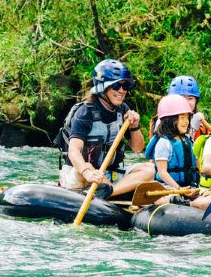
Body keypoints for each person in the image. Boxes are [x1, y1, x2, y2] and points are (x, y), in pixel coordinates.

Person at [60, 59, 155, 199]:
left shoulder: (123, 110)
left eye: (126, 85)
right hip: (81, 174)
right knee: (87, 167)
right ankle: (111, 190)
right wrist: (87, 172)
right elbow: (73, 151)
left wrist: (134, 127)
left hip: (109, 174)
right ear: (102, 88)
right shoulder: (85, 112)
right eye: (116, 86)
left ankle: (110, 192)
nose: (122, 91)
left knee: (149, 169)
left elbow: (137, 148)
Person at [144, 94, 200, 205]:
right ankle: (171, 200)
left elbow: (197, 168)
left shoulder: (188, 140)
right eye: (182, 118)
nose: (186, 122)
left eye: (187, 118)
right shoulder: (164, 143)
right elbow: (162, 172)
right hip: (167, 188)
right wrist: (179, 189)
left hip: (188, 188)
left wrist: (196, 188)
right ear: (170, 120)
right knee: (174, 197)